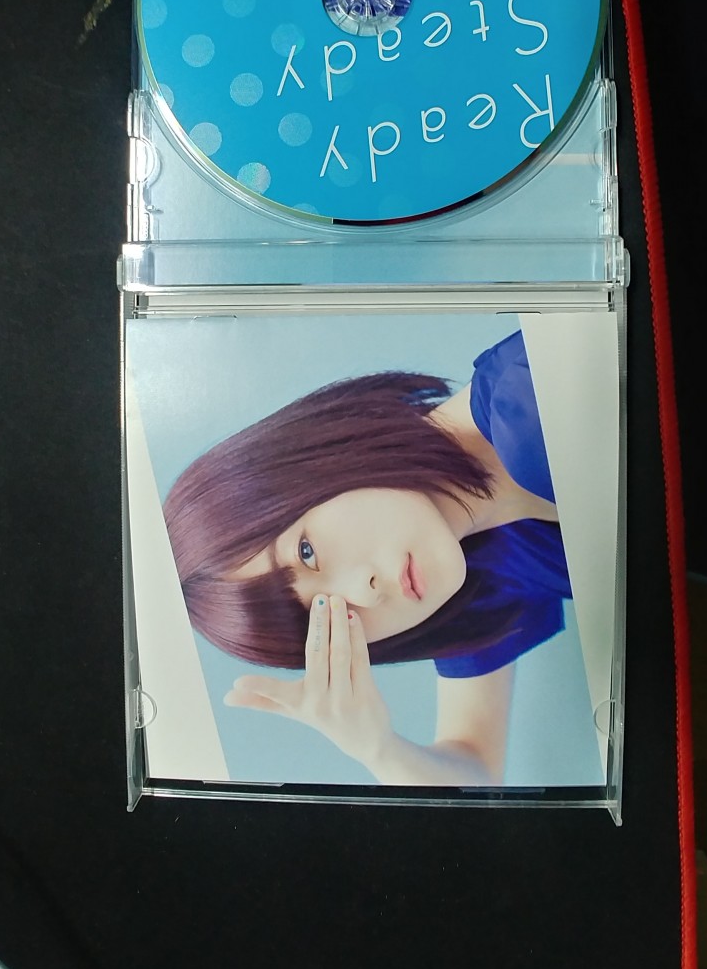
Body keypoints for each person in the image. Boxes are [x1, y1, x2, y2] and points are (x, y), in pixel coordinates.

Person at [164, 329, 571, 785]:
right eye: (326, 614)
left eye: (306, 552)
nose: (364, 592)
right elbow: (476, 772)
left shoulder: (529, 406)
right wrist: (376, 748)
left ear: (313, 459)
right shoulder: (478, 570)